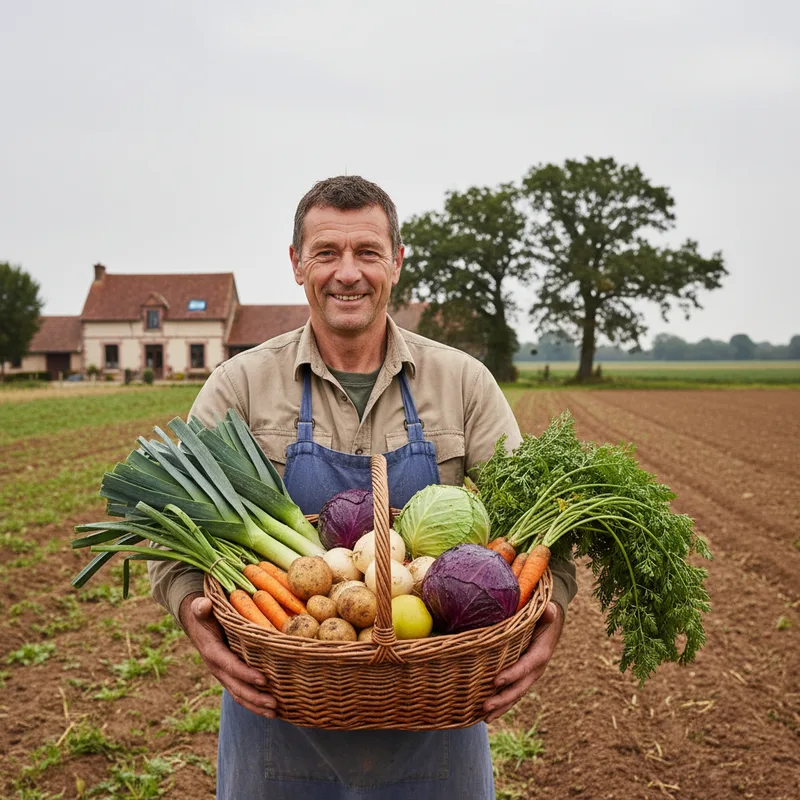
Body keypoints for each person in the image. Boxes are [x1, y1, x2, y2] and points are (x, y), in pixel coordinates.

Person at [148, 176, 577, 799]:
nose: (346, 273)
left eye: (368, 253)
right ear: (297, 265)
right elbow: (170, 523)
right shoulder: (238, 386)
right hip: (277, 714)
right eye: (326, 253)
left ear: (397, 263)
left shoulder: (463, 382)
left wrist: (554, 605)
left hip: (436, 719)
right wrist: (192, 608)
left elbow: (539, 515)